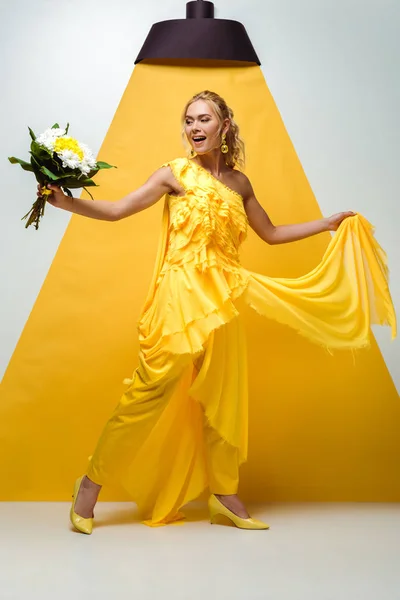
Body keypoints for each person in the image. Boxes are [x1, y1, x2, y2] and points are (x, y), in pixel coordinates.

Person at [40, 90, 395, 535]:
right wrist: (66, 202)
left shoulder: (239, 183)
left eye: (204, 119)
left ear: (224, 124)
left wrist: (325, 224)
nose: (194, 127)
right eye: (188, 120)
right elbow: (117, 210)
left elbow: (271, 232)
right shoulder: (174, 173)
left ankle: (224, 495)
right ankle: (89, 486)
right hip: (180, 295)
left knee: (223, 399)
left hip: (223, 298)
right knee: (147, 393)